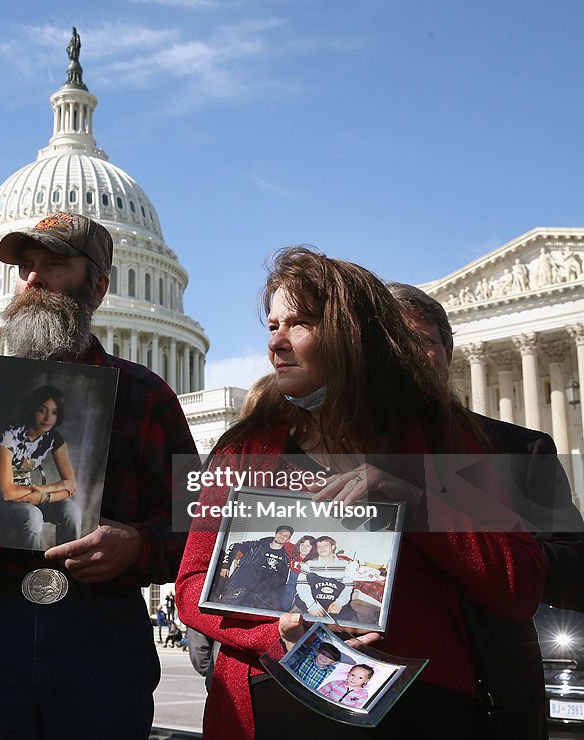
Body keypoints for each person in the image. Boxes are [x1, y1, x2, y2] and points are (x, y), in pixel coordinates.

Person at [176, 247, 544, 740]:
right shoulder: (244, 450)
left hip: (419, 705)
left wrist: (412, 502)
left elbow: (518, 586)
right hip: (273, 699)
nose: (276, 345)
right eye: (271, 326)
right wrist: (277, 633)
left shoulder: (441, 440)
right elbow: (193, 585)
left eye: (299, 324)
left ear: (355, 335)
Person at [0, 211, 198, 739]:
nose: (33, 279)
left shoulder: (149, 397)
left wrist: (137, 545)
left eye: (54, 265)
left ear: (98, 287)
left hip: (100, 630)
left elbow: (199, 527)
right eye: (25, 266)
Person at [390, 281, 584, 739]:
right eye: (388, 347)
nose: (405, 359)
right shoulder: (326, 455)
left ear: (448, 353)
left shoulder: (517, 451)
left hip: (487, 707)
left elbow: (576, 574)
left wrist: (473, 535)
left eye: (419, 343)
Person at [0, 385, 81, 549]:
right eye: (42, 410)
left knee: (71, 510)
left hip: (27, 493)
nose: (47, 418)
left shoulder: (53, 439)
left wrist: (44, 498)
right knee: (32, 515)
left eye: (54, 412)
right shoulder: (10, 434)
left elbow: (71, 487)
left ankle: (67, 564)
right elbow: (8, 493)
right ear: (32, 409)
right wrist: (53, 487)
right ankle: (30, 568)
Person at [216, 525, 293, 610]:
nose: (282, 536)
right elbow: (233, 546)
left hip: (266, 595)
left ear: (288, 540)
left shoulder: (288, 555)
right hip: (243, 587)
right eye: (280, 533)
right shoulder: (256, 545)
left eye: (285, 536)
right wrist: (225, 566)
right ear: (275, 534)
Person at [295, 536, 358, 620]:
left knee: (344, 624)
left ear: (333, 547)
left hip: (335, 600)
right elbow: (301, 586)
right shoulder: (309, 564)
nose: (322, 548)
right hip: (313, 600)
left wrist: (339, 603)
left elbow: (348, 588)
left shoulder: (346, 565)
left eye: (325, 545)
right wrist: (311, 605)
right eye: (319, 546)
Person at [283, 534, 317, 611]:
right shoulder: (293, 553)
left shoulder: (314, 560)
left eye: (308, 546)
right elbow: (285, 543)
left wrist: (347, 560)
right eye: (302, 545)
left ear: (313, 548)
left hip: (305, 583)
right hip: (292, 583)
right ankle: (283, 611)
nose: (304, 548)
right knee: (288, 592)